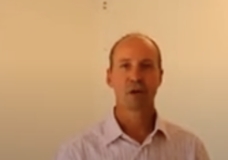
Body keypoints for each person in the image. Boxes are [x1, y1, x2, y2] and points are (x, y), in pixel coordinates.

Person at [55, 32, 211, 160]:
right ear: (109, 77)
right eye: (125, 66)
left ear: (160, 76)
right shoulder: (77, 153)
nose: (135, 76)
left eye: (146, 66)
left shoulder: (191, 149)